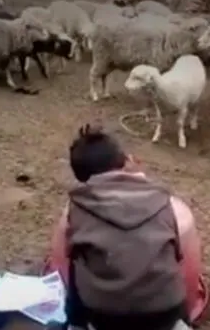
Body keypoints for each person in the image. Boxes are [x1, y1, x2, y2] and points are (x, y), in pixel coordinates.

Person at [63, 124, 190, 330]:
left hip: (104, 317)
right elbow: (177, 253)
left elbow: (69, 251)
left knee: (76, 260)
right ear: (125, 161)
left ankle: (75, 324)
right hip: (165, 311)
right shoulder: (161, 198)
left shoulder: (78, 204)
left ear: (80, 177)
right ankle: (183, 322)